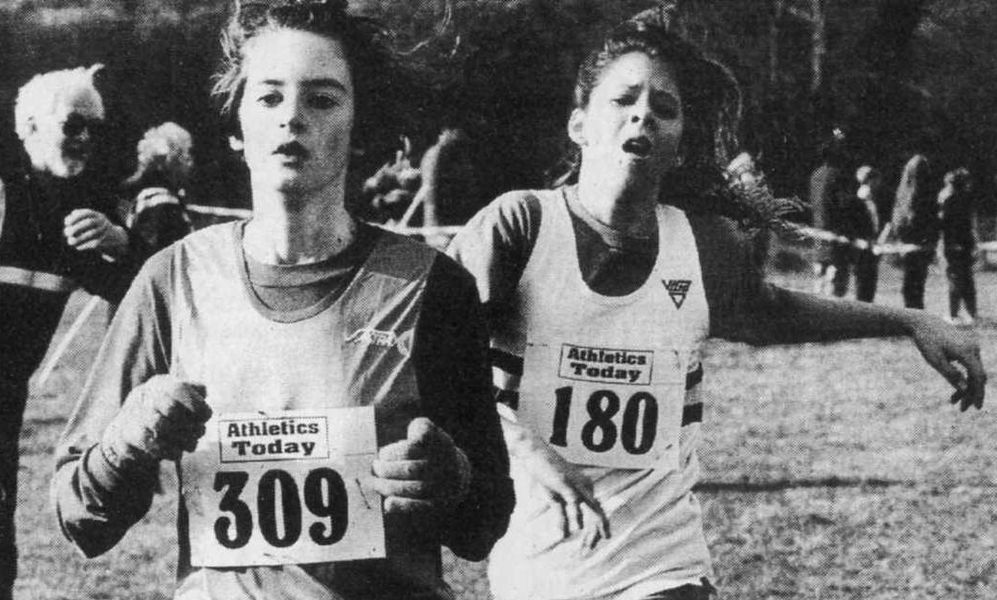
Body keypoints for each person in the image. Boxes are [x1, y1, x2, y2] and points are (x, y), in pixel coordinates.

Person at [447, 16, 986, 600]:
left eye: (665, 108)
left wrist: (910, 320)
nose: (643, 115)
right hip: (536, 564)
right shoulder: (520, 226)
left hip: (662, 567)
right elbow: (432, 358)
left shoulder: (700, 244)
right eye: (623, 99)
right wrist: (524, 449)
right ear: (579, 124)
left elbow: (773, 312)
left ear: (680, 145)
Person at [52, 2, 513, 599]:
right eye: (269, 97)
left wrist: (453, 480)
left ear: (359, 127)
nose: (292, 116)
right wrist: (125, 441)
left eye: (321, 99)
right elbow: (80, 519)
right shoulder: (173, 277)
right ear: (236, 126)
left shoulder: (432, 285)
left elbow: (485, 523)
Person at [0, 64, 135, 600]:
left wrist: (122, 246)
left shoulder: (79, 212)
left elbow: (135, 296)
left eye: (93, 128)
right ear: (30, 125)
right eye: (73, 124)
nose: (85, 139)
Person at [121, 121, 196, 257]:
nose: (190, 162)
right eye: (186, 154)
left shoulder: (150, 196)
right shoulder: (162, 201)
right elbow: (162, 256)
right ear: (171, 159)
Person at [882, 153, 940, 309]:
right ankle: (916, 312)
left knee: (910, 285)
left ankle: (912, 312)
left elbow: (898, 219)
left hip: (906, 244)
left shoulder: (902, 193)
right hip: (922, 245)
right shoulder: (928, 193)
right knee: (917, 285)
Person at [807, 132, 854, 295]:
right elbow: (843, 205)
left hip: (819, 231)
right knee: (834, 277)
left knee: (819, 274)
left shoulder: (816, 175)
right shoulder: (839, 176)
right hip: (836, 233)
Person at [828, 164, 883, 302]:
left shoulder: (870, 199)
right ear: (870, 180)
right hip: (863, 246)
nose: (879, 183)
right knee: (864, 283)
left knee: (867, 283)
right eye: (876, 180)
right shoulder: (862, 198)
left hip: (869, 245)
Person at [938, 167, 978, 324]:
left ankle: (953, 314)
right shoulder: (962, 198)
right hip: (963, 243)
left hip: (953, 244)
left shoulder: (948, 198)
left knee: (955, 280)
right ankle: (970, 313)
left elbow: (944, 224)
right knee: (966, 280)